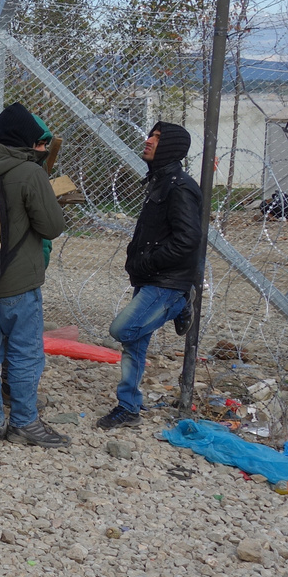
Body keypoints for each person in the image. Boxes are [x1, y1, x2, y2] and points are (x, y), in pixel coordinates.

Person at [0, 102, 69, 448]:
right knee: (24, 353)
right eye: (38, 143)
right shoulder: (30, 173)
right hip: (18, 283)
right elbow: (52, 226)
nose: (41, 149)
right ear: (24, 141)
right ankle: (24, 422)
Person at [99, 122, 200, 429]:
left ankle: (182, 304)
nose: (148, 141)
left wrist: (148, 263)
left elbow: (187, 240)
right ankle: (128, 406)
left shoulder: (179, 187)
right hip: (150, 277)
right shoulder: (159, 181)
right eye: (150, 135)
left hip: (166, 282)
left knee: (123, 330)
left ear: (170, 146)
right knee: (135, 343)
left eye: (156, 137)